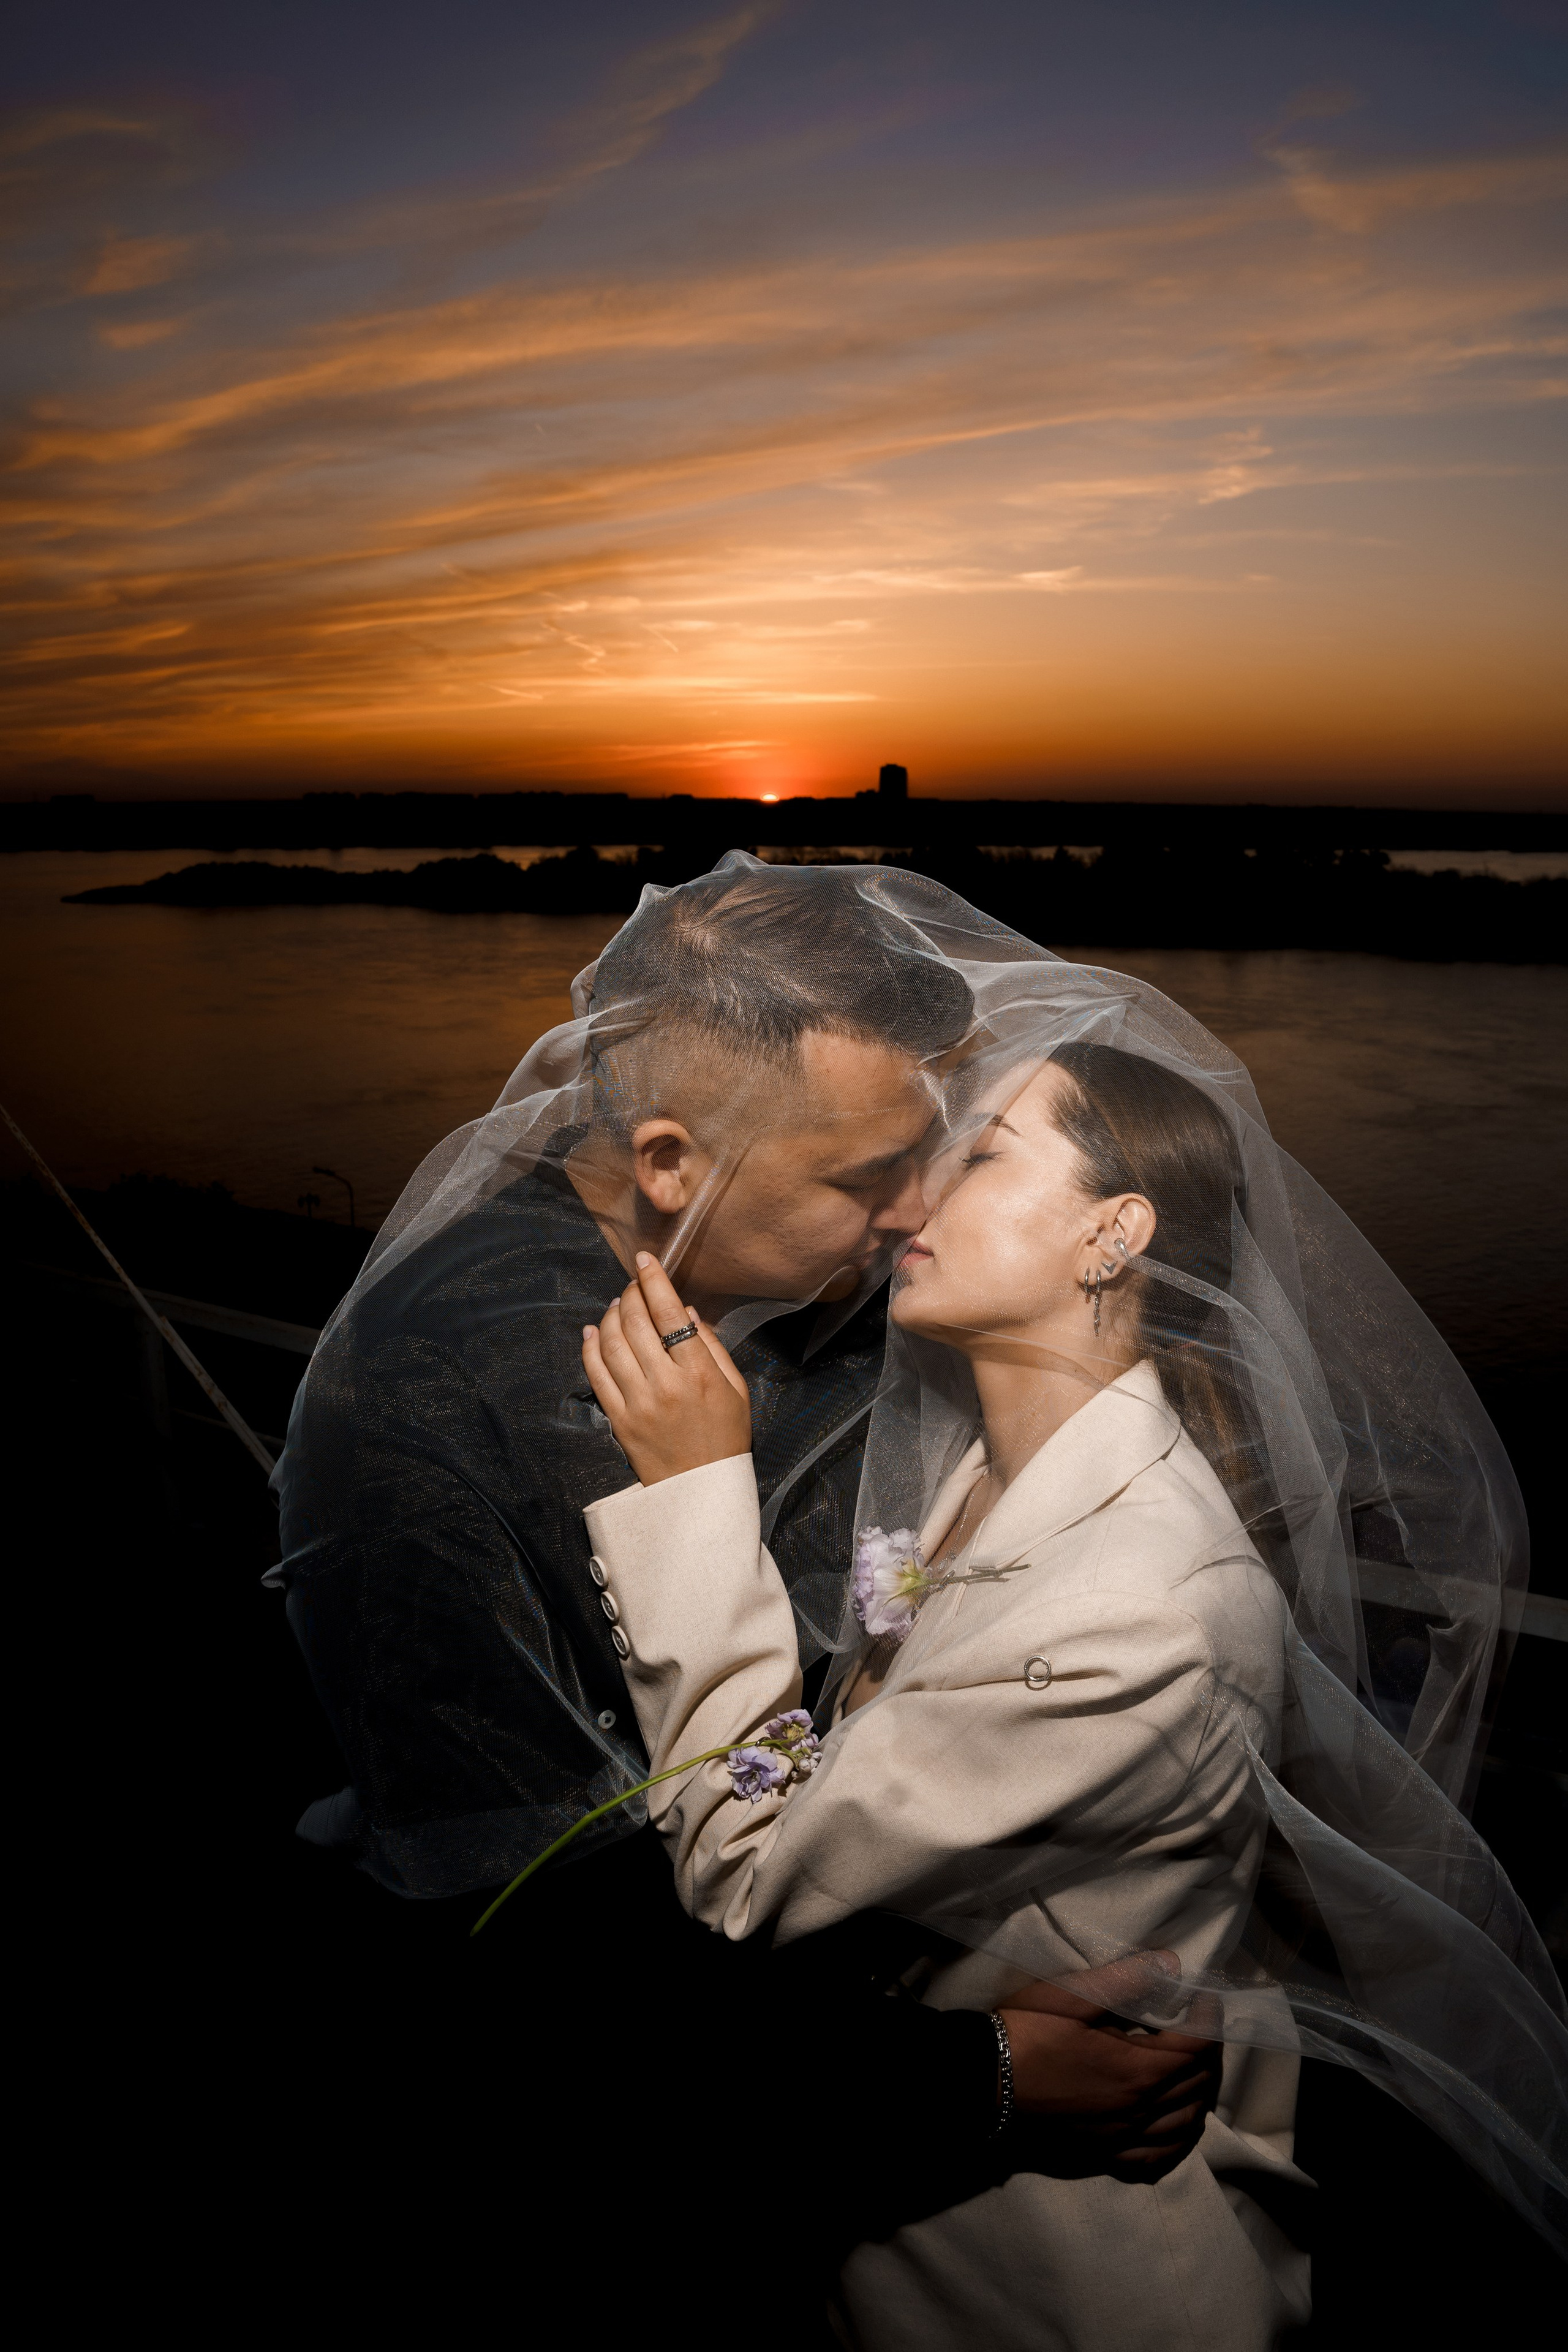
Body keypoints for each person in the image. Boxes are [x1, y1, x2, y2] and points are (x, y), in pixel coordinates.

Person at [572, 901, 1568, 2344]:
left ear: (1113, 1232)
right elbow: (870, 1740)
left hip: (1067, 2280)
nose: (914, 1195)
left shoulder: (1141, 1611)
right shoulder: (976, 1482)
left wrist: (691, 1496)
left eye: (978, 1155)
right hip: (907, 2205)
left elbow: (750, 1868)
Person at [271, 859, 1226, 2315]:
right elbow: (545, 1964)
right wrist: (984, 2076)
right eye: (864, 1177)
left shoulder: (837, 1290)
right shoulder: (427, 1410)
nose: (914, 1208)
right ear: (669, 1164)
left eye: (932, 1154)